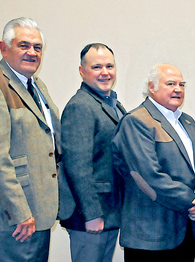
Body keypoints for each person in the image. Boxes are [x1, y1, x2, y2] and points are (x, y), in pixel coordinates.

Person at [112, 64, 195, 261]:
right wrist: (194, 201)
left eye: (181, 84)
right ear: (152, 87)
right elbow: (148, 175)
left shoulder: (189, 123)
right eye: (170, 83)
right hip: (150, 234)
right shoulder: (137, 121)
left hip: (186, 232)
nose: (178, 89)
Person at [0, 17, 64, 262]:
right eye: (24, 45)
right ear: (4, 48)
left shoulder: (36, 85)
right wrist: (20, 212)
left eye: (37, 47)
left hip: (39, 211)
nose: (32, 52)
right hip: (14, 219)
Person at [60, 43, 126, 262]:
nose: (105, 72)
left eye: (110, 66)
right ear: (82, 71)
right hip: (91, 216)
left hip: (109, 211)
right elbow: (77, 166)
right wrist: (92, 214)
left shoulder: (113, 104)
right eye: (97, 67)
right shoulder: (80, 106)